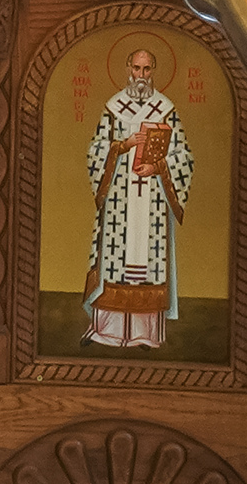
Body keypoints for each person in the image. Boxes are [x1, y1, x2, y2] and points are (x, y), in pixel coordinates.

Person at [82, 43, 194, 351]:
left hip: (153, 202)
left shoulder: (166, 108)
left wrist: (158, 166)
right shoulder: (113, 107)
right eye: (136, 68)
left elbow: (184, 155)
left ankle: (146, 335)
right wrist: (123, 145)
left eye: (146, 69)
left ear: (153, 72)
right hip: (120, 198)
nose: (141, 75)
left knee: (148, 265)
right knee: (115, 262)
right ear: (128, 70)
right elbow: (95, 151)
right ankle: (107, 331)